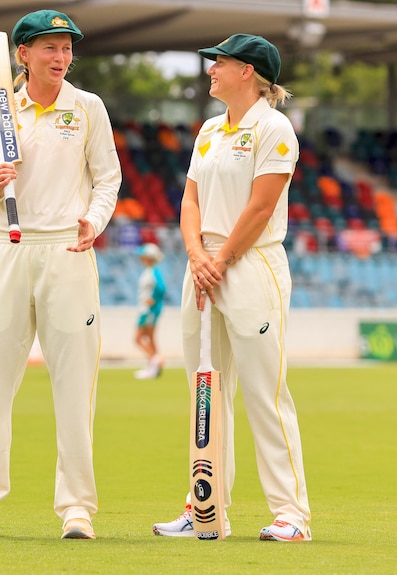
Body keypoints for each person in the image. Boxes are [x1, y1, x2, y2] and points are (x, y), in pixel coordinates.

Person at [0, 9, 121, 540]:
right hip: (9, 249)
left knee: (75, 388)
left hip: (68, 252)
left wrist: (93, 221)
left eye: (67, 48)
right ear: (21, 54)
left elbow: (108, 179)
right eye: (49, 47)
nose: (61, 57)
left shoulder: (87, 107)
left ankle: (77, 509)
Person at [152, 34, 311, 542]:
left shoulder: (275, 127)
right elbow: (190, 202)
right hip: (203, 267)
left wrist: (218, 260)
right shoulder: (208, 130)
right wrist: (198, 256)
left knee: (266, 391)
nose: (210, 71)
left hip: (251, 265)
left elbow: (262, 207)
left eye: (218, 63)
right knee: (207, 394)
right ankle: (206, 510)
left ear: (247, 71)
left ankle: (292, 515)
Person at [133, 243, 167, 379]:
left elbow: (161, 288)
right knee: (150, 337)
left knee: (138, 337)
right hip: (148, 309)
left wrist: (153, 299)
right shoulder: (150, 271)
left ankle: (155, 359)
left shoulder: (153, 272)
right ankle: (153, 368)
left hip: (149, 310)